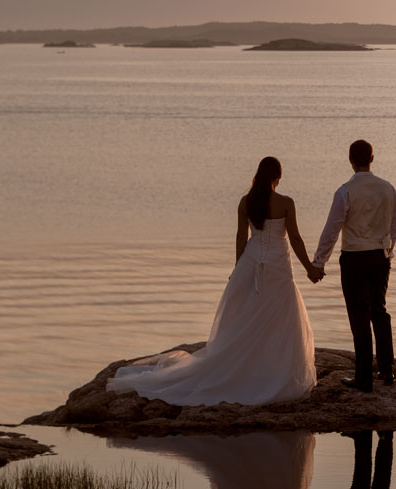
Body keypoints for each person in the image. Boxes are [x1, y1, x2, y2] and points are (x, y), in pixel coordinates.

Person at [106, 156, 320, 406]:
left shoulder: (246, 202)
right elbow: (294, 238)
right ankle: (274, 370)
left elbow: (242, 236)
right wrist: (310, 268)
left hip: (251, 262)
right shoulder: (286, 202)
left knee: (248, 315)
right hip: (278, 266)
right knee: (280, 316)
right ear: (278, 177)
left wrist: (239, 268)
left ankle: (248, 366)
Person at [313, 140, 396, 393]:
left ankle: (364, 376)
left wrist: (319, 262)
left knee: (359, 316)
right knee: (379, 310)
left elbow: (332, 229)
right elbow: (393, 225)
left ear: (351, 160)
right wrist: (388, 251)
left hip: (354, 257)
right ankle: (386, 369)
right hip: (380, 255)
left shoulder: (345, 191)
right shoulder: (389, 189)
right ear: (373, 158)